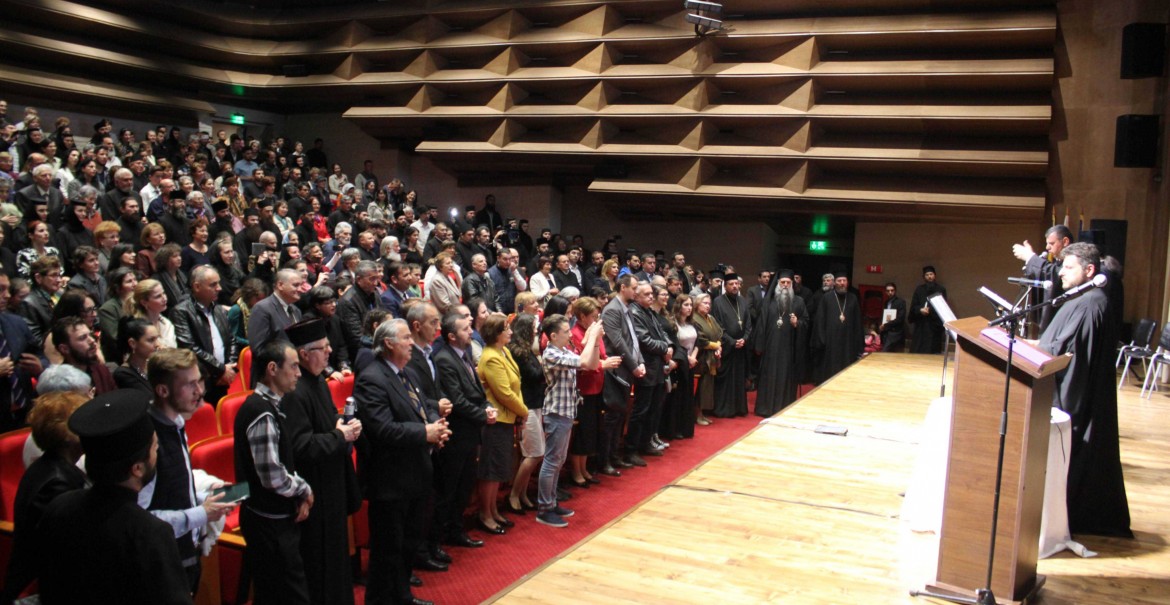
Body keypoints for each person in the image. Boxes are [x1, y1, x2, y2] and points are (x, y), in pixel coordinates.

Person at [36, 390, 194, 604]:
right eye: (155, 448)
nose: (157, 454)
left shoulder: (59, 507)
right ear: (137, 468)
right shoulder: (149, 532)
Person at [1034, 242, 1131, 538]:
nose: (1060, 272)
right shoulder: (1083, 298)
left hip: (1072, 405)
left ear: (1089, 270)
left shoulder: (1090, 305)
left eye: (1068, 267)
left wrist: (1058, 408)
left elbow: (1075, 365)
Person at [354, 318, 450, 605]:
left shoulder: (406, 373)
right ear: (388, 343)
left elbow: (423, 408)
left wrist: (435, 427)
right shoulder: (372, 378)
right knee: (388, 548)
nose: (411, 343)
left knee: (409, 542)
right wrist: (425, 433)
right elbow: (382, 429)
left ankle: (402, 596)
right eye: (406, 338)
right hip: (390, 479)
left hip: (415, 472)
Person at [281, 319, 363, 605]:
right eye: (323, 348)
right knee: (320, 565)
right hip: (314, 491)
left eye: (329, 346)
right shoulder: (294, 391)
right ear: (304, 354)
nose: (330, 352)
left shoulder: (317, 381)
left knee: (336, 561)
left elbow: (324, 423)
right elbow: (300, 445)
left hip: (332, 485)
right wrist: (340, 435)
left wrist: (343, 423)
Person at [141, 348, 236, 593]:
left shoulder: (176, 424)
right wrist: (201, 514)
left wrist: (205, 499)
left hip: (185, 555)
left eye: (199, 382)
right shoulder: (148, 442)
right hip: (162, 566)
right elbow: (140, 519)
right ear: (163, 391)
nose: (199, 391)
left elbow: (172, 490)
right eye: (189, 384)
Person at [234, 340, 315, 605]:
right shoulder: (261, 412)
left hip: (268, 518)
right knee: (290, 595)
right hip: (269, 522)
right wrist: (304, 489)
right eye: (293, 366)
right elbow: (272, 477)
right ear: (272, 368)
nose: (299, 373)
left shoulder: (266, 406)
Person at [1, 390, 88, 603]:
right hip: (37, 591)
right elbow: (66, 553)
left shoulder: (48, 466)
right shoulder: (57, 483)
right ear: (68, 435)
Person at [431, 309, 493, 549]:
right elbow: (456, 400)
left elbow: (476, 391)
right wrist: (483, 415)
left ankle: (456, 530)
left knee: (464, 485)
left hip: (470, 433)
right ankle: (440, 537)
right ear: (451, 336)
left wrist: (486, 407)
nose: (471, 331)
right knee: (450, 488)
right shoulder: (444, 359)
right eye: (465, 329)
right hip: (456, 435)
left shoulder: (463, 353)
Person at [534, 313, 602, 528]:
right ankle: (544, 508)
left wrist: (594, 341)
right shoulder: (551, 354)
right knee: (552, 460)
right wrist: (592, 336)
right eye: (565, 332)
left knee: (559, 459)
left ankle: (551, 502)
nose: (569, 334)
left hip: (566, 411)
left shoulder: (563, 350)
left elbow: (591, 364)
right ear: (553, 336)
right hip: (556, 412)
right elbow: (584, 360)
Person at [477, 313, 527, 535]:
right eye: (506, 329)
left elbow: (516, 385)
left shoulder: (503, 351)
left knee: (499, 468)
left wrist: (520, 412)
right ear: (496, 333)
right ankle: (485, 514)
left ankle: (494, 510)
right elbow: (504, 393)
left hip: (507, 417)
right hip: (495, 420)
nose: (511, 332)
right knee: (491, 470)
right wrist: (524, 411)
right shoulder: (491, 357)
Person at [569, 297, 621, 480]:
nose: (596, 319)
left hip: (597, 387)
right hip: (583, 388)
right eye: (593, 316)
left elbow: (602, 354)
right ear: (582, 316)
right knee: (582, 433)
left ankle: (584, 469)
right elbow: (581, 362)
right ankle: (576, 471)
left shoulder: (593, 332)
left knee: (590, 431)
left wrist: (605, 360)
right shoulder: (575, 334)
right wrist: (602, 365)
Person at [599, 275, 644, 472]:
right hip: (616, 370)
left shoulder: (627, 308)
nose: (636, 291)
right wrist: (634, 365)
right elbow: (618, 342)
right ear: (623, 287)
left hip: (626, 368)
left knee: (620, 415)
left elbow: (634, 339)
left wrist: (640, 361)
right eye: (634, 287)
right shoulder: (612, 310)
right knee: (612, 416)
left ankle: (615, 456)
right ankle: (604, 460)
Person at [626, 282, 672, 465]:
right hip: (646, 366)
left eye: (652, 293)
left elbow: (662, 333)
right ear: (636, 296)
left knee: (653, 409)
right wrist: (664, 348)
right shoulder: (635, 312)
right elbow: (643, 340)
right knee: (641, 410)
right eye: (646, 294)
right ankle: (631, 449)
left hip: (657, 367)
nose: (651, 296)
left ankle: (645, 443)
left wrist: (668, 346)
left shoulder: (649, 311)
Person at [751, 270, 808, 417]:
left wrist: (797, 323)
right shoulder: (768, 301)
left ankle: (783, 408)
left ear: (792, 284)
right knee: (768, 376)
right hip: (770, 348)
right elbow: (761, 324)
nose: (785, 285)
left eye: (788, 282)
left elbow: (806, 322)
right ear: (777, 284)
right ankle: (765, 408)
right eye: (783, 282)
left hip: (788, 350)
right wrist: (759, 345)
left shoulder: (798, 302)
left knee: (785, 377)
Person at [506, 313, 544, 516]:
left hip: (535, 403)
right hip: (526, 406)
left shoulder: (527, 350)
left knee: (534, 453)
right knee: (534, 453)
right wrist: (545, 364)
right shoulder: (518, 352)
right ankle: (513, 494)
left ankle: (522, 494)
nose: (536, 330)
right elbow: (535, 375)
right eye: (534, 327)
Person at [0, 269, 44, 430]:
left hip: (25, 412)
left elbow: (39, 355)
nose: (7, 295)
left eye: (7, 289)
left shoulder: (16, 322)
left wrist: (40, 366)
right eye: (1, 290)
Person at [247, 268, 304, 385]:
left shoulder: (296, 310)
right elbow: (258, 349)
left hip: (293, 375)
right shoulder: (262, 308)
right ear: (280, 285)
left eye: (301, 285)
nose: (300, 289)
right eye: (295, 285)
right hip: (271, 378)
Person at [1013, 224, 1074, 332]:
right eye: (1047, 243)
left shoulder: (1075, 260)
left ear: (1065, 241)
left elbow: (1054, 273)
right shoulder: (1058, 261)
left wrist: (1030, 257)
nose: (1047, 247)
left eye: (1051, 243)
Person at [710, 273, 752, 417]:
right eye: (731, 284)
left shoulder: (743, 301)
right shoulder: (718, 302)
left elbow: (748, 324)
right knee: (725, 381)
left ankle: (739, 408)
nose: (734, 286)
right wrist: (732, 342)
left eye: (736, 284)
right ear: (725, 286)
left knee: (739, 379)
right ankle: (724, 409)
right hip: (727, 348)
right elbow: (718, 326)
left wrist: (744, 339)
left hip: (741, 349)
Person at [811, 271, 864, 383]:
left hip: (848, 343)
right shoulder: (826, 298)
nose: (842, 283)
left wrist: (858, 342)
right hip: (831, 342)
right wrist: (822, 339)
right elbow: (820, 320)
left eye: (844, 280)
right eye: (839, 281)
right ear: (834, 283)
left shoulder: (853, 298)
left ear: (848, 283)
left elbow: (857, 322)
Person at [691, 292, 722, 426]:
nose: (708, 306)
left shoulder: (710, 318)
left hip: (711, 357)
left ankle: (702, 413)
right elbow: (701, 339)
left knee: (707, 387)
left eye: (709, 303)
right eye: (705, 303)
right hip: (700, 357)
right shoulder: (694, 319)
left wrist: (719, 346)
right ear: (697, 304)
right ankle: (696, 414)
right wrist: (716, 346)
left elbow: (719, 332)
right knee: (701, 387)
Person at [112, 317, 162, 396]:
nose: (157, 344)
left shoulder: (155, 367)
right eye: (151, 340)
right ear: (133, 343)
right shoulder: (123, 374)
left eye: (157, 338)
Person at [909, 265, 948, 354]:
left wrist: (931, 311)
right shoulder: (919, 289)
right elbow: (914, 306)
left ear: (935, 275)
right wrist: (920, 310)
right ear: (924, 277)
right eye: (927, 275)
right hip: (921, 324)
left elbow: (943, 307)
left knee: (933, 349)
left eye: (931, 274)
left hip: (934, 325)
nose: (929, 276)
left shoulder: (941, 289)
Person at [879, 282, 907, 352]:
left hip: (896, 332)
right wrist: (882, 325)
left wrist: (885, 325)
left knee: (885, 352)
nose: (890, 292)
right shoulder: (886, 302)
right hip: (886, 331)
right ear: (885, 292)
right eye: (888, 291)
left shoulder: (900, 302)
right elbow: (884, 316)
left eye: (892, 290)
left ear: (895, 291)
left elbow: (900, 318)